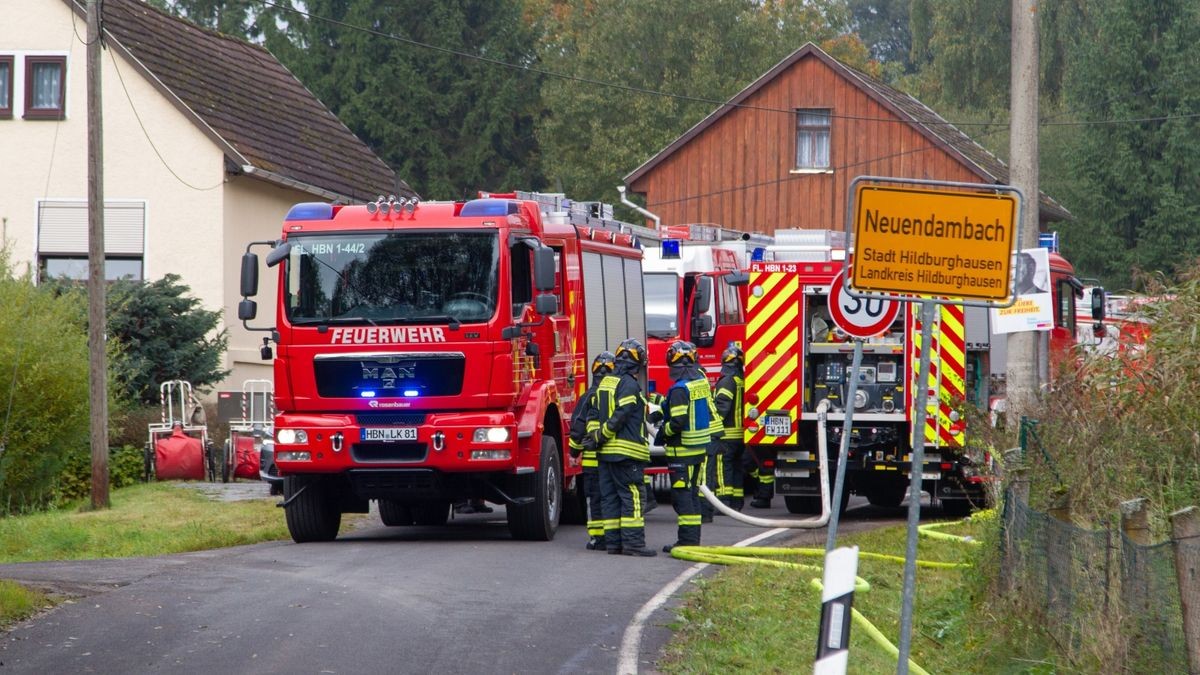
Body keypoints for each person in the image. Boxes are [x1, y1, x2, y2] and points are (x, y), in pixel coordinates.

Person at [584, 338, 656, 557]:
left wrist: (596, 436)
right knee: (632, 496)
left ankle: (614, 544)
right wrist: (604, 434)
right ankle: (633, 544)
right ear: (637, 363)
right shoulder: (629, 384)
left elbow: (593, 413)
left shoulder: (605, 382)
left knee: (610, 498)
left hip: (605, 455)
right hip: (626, 454)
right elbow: (621, 415)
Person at [657, 341, 719, 552]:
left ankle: (686, 541)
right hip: (699, 450)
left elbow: (678, 422)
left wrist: (662, 432)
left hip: (681, 452)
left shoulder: (679, 389)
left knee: (682, 497)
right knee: (692, 494)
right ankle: (693, 540)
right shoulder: (699, 383)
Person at [568, 351, 616, 551]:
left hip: (592, 463)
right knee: (611, 498)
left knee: (595, 500)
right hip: (614, 459)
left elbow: (578, 425)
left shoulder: (588, 396)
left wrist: (573, 450)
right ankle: (613, 537)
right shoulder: (619, 395)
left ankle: (598, 538)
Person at [713, 344, 746, 511]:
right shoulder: (741, 380)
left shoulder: (726, 382)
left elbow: (722, 407)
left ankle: (724, 502)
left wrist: (713, 427)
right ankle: (737, 501)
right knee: (737, 468)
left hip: (726, 435)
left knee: (723, 467)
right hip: (740, 435)